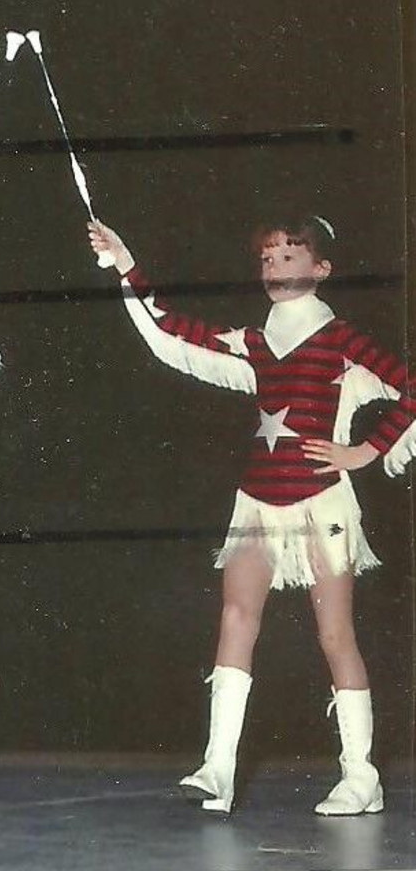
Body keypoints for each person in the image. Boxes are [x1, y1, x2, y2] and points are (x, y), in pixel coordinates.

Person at [88, 215, 412, 816]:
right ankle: (219, 768)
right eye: (266, 258)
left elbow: (410, 389)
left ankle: (360, 775)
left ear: (321, 269)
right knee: (235, 619)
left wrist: (364, 451)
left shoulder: (343, 340)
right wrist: (123, 261)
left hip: (322, 505)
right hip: (255, 501)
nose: (275, 266)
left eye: (289, 256)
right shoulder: (252, 344)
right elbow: (168, 329)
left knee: (334, 633)